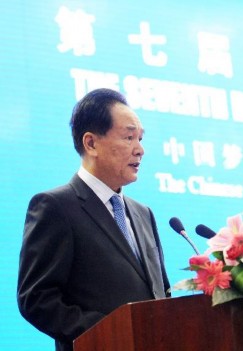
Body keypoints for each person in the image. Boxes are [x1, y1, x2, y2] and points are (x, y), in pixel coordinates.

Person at [17, 88, 171, 351]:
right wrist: (110, 333)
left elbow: (161, 292)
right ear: (91, 143)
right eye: (129, 137)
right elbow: (37, 299)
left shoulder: (143, 213)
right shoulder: (55, 207)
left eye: (141, 139)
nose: (140, 150)